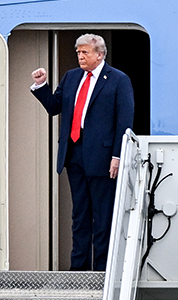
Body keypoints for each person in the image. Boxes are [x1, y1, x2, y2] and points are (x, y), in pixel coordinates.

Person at [30, 34, 135, 271]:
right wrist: (41, 85)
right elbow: (54, 107)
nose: (80, 56)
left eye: (85, 52)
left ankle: (102, 270)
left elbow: (124, 121)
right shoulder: (71, 77)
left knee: (103, 217)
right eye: (78, 52)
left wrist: (118, 155)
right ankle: (78, 269)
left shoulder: (118, 80)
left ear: (100, 55)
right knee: (79, 215)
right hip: (74, 155)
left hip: (104, 158)